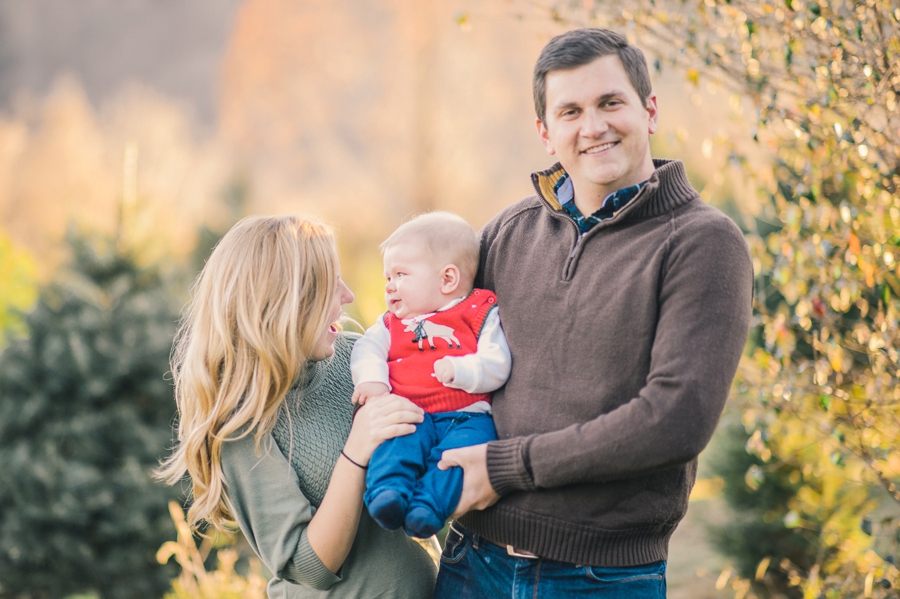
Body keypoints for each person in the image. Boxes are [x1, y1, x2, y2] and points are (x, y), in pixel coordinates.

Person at [434, 28, 754, 598]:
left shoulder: (703, 243)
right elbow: (432, 341)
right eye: (571, 111)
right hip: (470, 563)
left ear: (649, 109)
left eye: (610, 103)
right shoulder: (509, 233)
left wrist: (507, 466)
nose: (593, 127)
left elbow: (675, 418)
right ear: (545, 132)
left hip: (600, 579)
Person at [157, 215, 437, 599]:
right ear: (286, 302)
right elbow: (310, 566)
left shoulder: (359, 358)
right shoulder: (244, 425)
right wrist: (357, 450)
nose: (348, 295)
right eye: (330, 284)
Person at [350, 212, 511, 539]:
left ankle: (429, 506)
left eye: (400, 274)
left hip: (469, 416)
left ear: (448, 279)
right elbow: (367, 349)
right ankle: (388, 491)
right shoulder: (390, 324)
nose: (390, 286)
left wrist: (462, 370)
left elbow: (498, 362)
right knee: (397, 442)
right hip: (411, 411)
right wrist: (373, 381)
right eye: (387, 278)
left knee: (461, 455)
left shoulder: (480, 313)